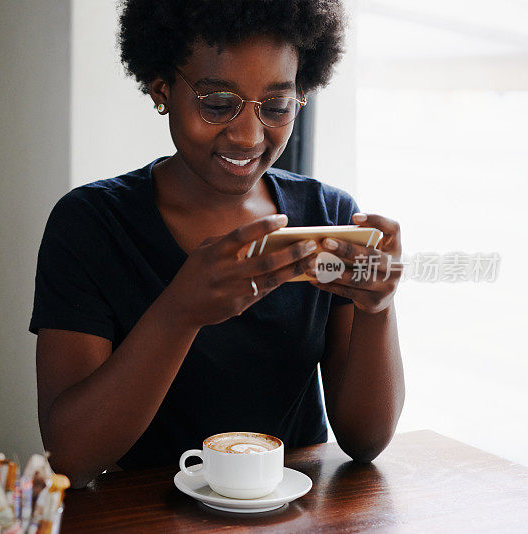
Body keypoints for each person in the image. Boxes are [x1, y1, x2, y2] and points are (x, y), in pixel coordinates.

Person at [29, 0, 404, 488]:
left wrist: (379, 308)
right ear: (162, 88)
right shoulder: (91, 224)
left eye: (276, 107)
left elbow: (365, 442)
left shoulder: (326, 219)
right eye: (217, 103)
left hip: (293, 512)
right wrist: (180, 311)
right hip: (149, 515)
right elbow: (70, 459)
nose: (249, 136)